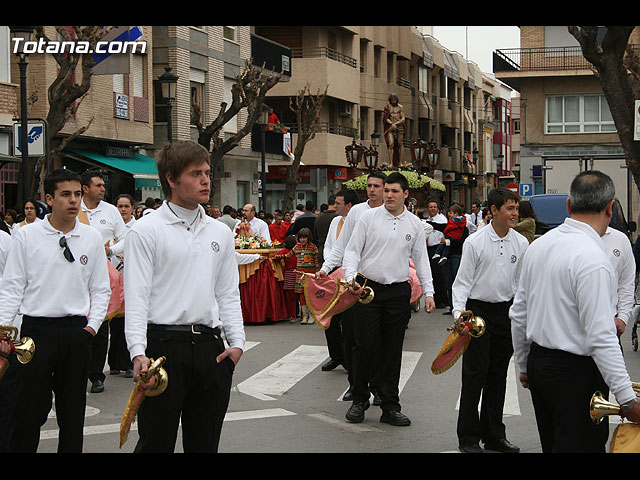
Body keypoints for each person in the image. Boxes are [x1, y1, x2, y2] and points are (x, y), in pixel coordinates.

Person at [124, 140, 245, 453]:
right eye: (195, 174)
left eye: (207, 173)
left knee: (205, 444)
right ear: (171, 179)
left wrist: (237, 344)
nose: (205, 180)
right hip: (163, 346)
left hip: (210, 349)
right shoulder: (146, 230)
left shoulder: (220, 232)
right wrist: (138, 351)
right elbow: (136, 295)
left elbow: (227, 292)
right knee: (155, 442)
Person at [510, 170, 640, 453]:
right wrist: (628, 399)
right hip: (576, 371)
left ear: (569, 205)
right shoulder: (594, 259)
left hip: (540, 362)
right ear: (610, 208)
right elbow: (601, 336)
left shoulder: (538, 246)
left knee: (552, 444)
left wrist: (524, 364)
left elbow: (519, 313)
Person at [0, 168, 111, 453]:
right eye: (65, 195)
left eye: (76, 194)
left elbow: (102, 288)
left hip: (76, 332)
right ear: (49, 199)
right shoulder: (27, 236)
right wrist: (2, 331)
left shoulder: (91, 237)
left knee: (72, 416)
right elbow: (12, 287)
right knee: (27, 413)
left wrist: (91, 328)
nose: (73, 201)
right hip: (35, 332)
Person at [342, 172, 435, 426]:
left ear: (406, 194)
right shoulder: (368, 218)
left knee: (392, 349)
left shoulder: (414, 224)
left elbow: (421, 260)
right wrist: (351, 278)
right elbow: (352, 251)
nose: (389, 195)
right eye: (387, 191)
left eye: (395, 191)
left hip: (398, 292)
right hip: (367, 289)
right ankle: (359, 399)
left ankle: (390, 405)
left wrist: (429, 292)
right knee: (365, 346)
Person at [451, 187, 528, 453]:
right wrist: (459, 315)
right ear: (494, 210)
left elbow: (520, 285)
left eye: (516, 208)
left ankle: (494, 435)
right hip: (478, 313)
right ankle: (468, 438)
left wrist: (521, 317)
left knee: (498, 376)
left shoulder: (521, 243)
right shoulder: (475, 242)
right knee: (474, 376)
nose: (515, 213)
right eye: (510, 208)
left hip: (505, 313)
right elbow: (462, 283)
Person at [318, 171, 386, 402]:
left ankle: (378, 388)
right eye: (369, 186)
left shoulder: (393, 212)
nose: (372, 190)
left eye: (377, 186)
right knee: (352, 337)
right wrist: (325, 269)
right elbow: (341, 246)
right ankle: (355, 385)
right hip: (354, 281)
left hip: (382, 284)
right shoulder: (356, 211)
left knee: (379, 341)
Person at [80, 170, 129, 394]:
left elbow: (125, 237)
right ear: (86, 188)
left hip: (104, 272)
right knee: (79, 322)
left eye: (103, 185)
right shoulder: (75, 208)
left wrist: (111, 250)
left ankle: (96, 375)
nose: (103, 189)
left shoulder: (110, 211)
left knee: (101, 323)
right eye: (98, 185)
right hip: (76, 274)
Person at [319, 189, 359, 372]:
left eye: (338, 203)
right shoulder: (335, 221)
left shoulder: (359, 220)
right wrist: (328, 267)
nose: (334, 206)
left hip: (352, 275)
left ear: (349, 206)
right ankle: (336, 355)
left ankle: (350, 359)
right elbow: (330, 246)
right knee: (330, 316)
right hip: (334, 272)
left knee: (349, 320)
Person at [107, 194, 136, 379]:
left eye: (126, 206)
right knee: (114, 322)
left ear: (132, 208)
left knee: (129, 322)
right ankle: (114, 362)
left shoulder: (138, 228)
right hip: (112, 279)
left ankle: (129, 362)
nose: (123, 210)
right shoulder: (110, 229)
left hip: (130, 278)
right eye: (120, 206)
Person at [272, 228, 319, 324]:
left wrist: (318, 273)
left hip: (310, 275)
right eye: (300, 238)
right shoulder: (297, 247)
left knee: (310, 295)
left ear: (308, 238)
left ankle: (311, 316)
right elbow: (288, 255)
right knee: (301, 295)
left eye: (304, 238)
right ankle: (304, 316)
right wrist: (278, 257)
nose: (302, 240)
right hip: (299, 275)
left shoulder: (313, 247)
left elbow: (317, 262)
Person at [423, 200, 449, 309]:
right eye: (430, 207)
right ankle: (435, 299)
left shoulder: (442, 220)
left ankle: (442, 299)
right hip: (429, 248)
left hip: (438, 248)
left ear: (438, 209)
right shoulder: (427, 220)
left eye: (434, 207)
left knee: (439, 275)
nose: (432, 209)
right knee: (432, 274)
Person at [276, 235, 298, 322]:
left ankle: (294, 316)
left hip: (289, 274)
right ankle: (304, 315)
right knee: (301, 296)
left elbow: (276, 258)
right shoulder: (298, 250)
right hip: (299, 273)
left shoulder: (284, 251)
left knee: (291, 298)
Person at [383, 93, 406, 166]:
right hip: (391, 126)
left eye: (395, 100)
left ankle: (400, 162)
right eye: (392, 100)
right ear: (390, 100)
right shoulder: (387, 107)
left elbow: (403, 119)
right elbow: (386, 118)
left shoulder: (400, 107)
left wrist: (395, 124)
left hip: (399, 125)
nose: (394, 101)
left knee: (400, 143)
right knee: (391, 143)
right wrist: (391, 124)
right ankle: (391, 163)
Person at [313, 195, 337, 266]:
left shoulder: (318, 218)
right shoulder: (338, 217)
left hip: (322, 251)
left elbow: (315, 236)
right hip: (336, 253)